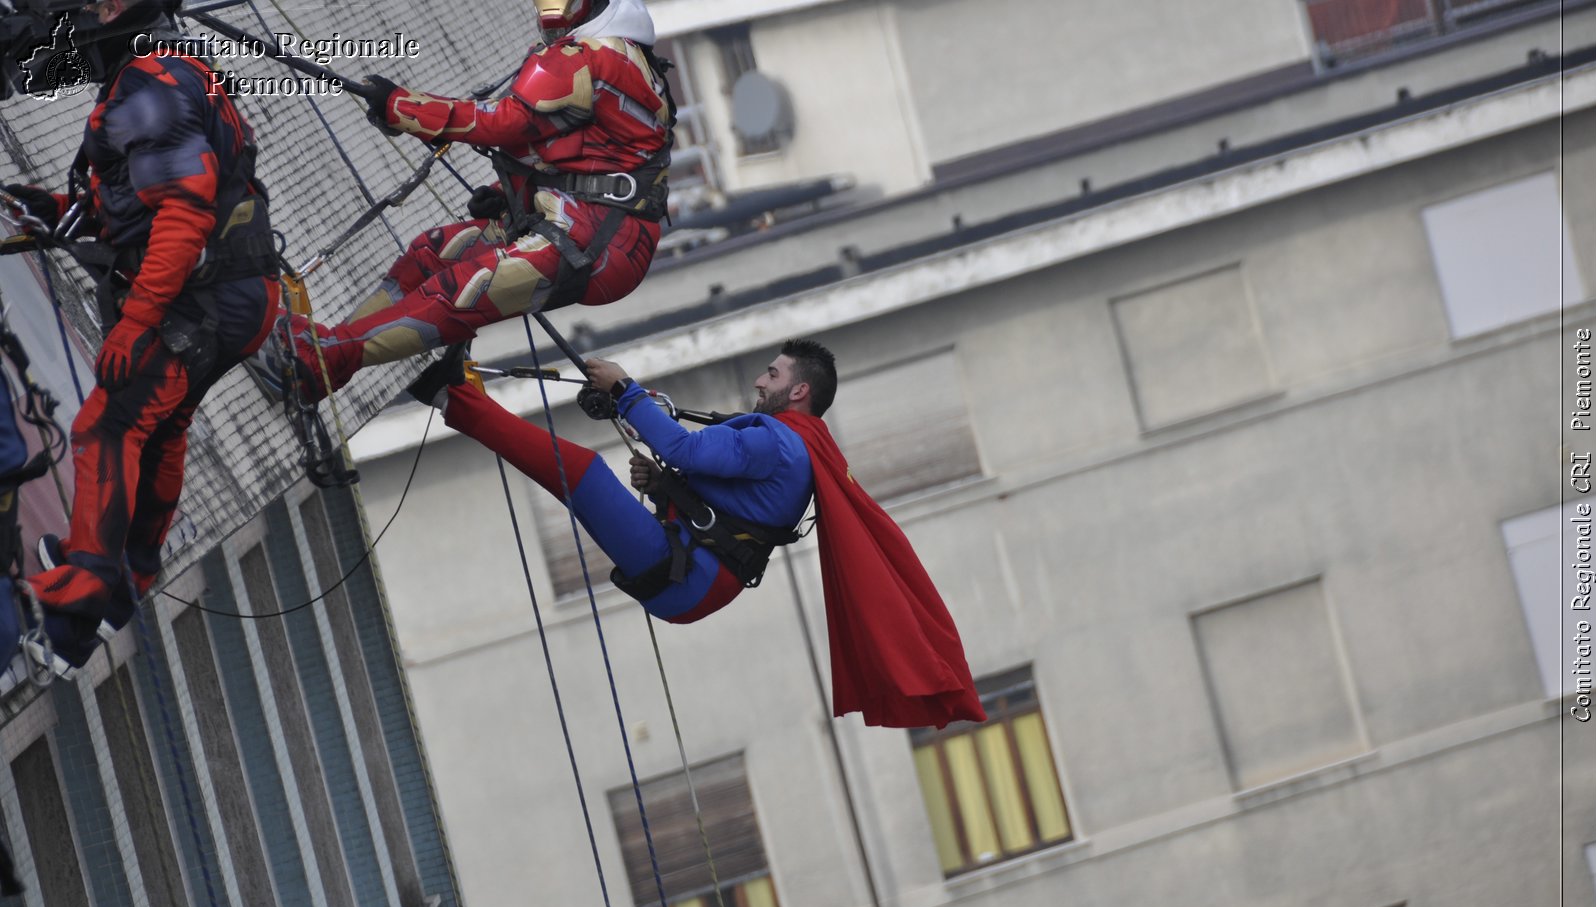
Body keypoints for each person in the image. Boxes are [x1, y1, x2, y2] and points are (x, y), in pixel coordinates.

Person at [410, 339, 987, 729]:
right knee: (582, 472)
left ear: (799, 391)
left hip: (688, 576)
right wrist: (662, 490)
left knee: (581, 470)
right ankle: (459, 395)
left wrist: (627, 391)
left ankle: (452, 396)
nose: (760, 380)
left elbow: (683, 447)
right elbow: (732, 513)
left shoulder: (778, 441)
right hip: (694, 575)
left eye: (773, 373)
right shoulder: (799, 448)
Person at [2, 0, 280, 670]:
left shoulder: (147, 83)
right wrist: (63, 210)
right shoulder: (170, 70)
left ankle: (81, 600)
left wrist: (137, 320)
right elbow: (145, 199)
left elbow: (182, 213)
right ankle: (132, 577)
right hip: (235, 296)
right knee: (162, 426)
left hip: (199, 300)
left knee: (110, 425)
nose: (50, 26)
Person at [256, 0, 673, 403]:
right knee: (431, 253)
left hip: (594, 241)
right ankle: (320, 359)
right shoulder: (620, 54)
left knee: (459, 291)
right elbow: (588, 151)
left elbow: (505, 122)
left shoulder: (592, 56)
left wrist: (401, 106)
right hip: (584, 224)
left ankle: (318, 360)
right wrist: (506, 195)